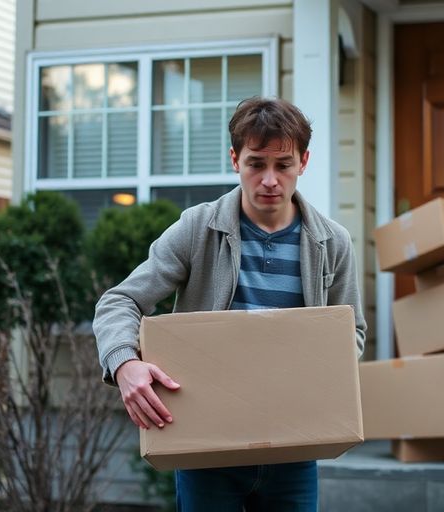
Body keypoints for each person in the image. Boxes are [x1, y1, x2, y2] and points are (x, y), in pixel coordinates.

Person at [93, 96, 366, 511]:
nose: (270, 180)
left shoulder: (333, 243)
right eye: (256, 164)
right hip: (207, 448)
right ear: (235, 159)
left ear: (303, 163)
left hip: (294, 446)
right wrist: (124, 363)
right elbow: (120, 301)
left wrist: (320, 371)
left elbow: (353, 334)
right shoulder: (197, 228)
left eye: (283, 165)